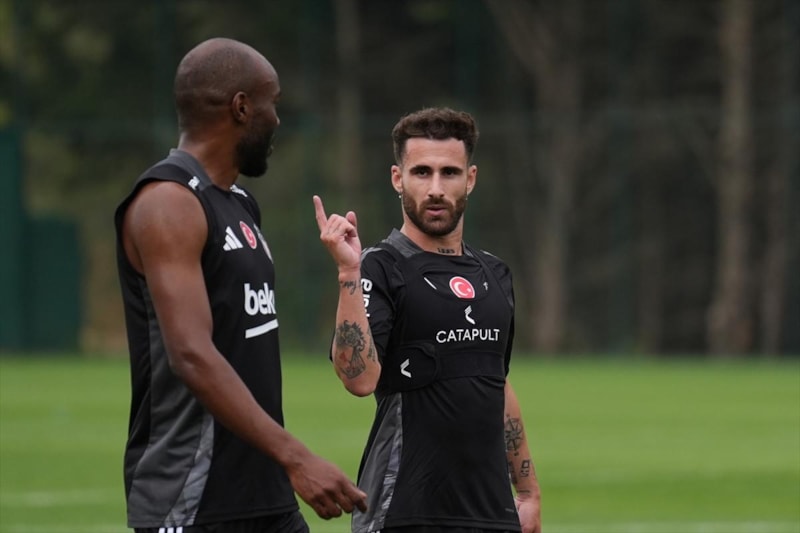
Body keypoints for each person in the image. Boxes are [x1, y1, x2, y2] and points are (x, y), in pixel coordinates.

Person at [114, 37, 367, 533]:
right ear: (242, 107)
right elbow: (191, 354)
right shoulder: (168, 203)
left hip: (264, 493)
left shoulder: (239, 203)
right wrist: (297, 457)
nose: (277, 119)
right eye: (273, 103)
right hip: (193, 498)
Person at [313, 107, 542, 533]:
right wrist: (348, 273)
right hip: (404, 512)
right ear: (398, 178)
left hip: (491, 515)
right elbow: (358, 379)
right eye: (422, 172)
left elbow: (498, 382)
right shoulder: (380, 267)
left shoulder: (495, 274)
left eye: (449, 173)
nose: (436, 188)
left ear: (470, 179)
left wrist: (527, 491)